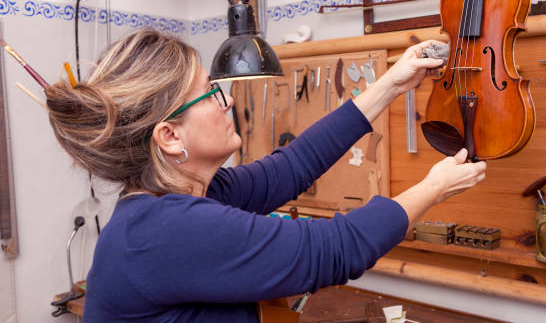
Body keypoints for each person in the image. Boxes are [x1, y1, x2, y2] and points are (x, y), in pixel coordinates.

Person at [45, 29, 486, 322]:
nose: (228, 102)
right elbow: (333, 250)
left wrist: (390, 83)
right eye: (209, 93)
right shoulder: (165, 230)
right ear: (170, 137)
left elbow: (291, 166)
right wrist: (434, 187)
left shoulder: (191, 196)